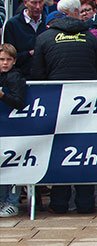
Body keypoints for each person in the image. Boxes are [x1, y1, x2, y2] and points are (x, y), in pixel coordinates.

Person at [32, 0, 97, 215]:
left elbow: (37, 77)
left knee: (58, 150)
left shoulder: (44, 38)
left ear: (59, 13)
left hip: (57, 105)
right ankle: (85, 203)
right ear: (75, 13)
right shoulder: (90, 37)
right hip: (87, 105)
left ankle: (59, 202)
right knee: (85, 150)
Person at [0, 43, 26, 218]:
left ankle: (12, 201)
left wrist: (3, 96)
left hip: (15, 127)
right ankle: (2, 199)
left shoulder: (16, 77)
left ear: (14, 61)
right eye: (2, 59)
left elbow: (19, 102)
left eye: (8, 60)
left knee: (14, 164)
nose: (5, 63)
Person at [2, 0, 47, 78]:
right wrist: (29, 54)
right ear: (25, 3)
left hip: (46, 78)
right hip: (21, 78)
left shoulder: (48, 23)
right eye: (34, 3)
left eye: (40, 2)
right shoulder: (12, 24)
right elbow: (10, 56)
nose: (38, 7)